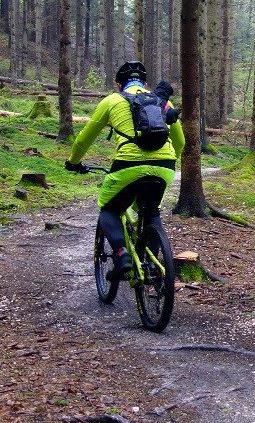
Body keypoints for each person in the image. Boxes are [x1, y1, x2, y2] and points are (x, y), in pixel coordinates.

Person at [66, 61, 183, 280]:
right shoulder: (162, 102)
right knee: (152, 212)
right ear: (145, 84)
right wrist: (166, 161)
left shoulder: (112, 100)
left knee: (109, 209)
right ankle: (152, 266)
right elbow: (180, 142)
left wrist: (73, 161)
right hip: (165, 165)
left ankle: (121, 255)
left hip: (128, 165)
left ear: (119, 85)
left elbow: (84, 139)